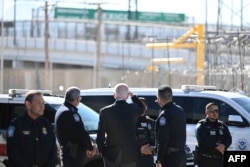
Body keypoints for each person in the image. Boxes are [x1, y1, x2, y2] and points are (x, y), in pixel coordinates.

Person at [96, 83, 145, 167]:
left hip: (111, 154)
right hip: (129, 155)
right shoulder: (133, 108)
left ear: (114, 95)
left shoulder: (105, 111)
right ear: (128, 95)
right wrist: (133, 96)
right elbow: (142, 108)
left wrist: (103, 151)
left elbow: (100, 135)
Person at [6, 90, 57, 167]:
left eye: (43, 103)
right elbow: (13, 153)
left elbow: (53, 151)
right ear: (28, 105)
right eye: (39, 103)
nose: (42, 106)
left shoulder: (46, 125)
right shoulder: (17, 125)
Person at [55, 86, 96, 167]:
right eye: (79, 98)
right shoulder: (70, 113)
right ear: (77, 99)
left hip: (68, 153)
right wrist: (90, 147)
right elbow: (80, 133)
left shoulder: (61, 110)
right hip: (73, 155)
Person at [155, 85, 186, 167]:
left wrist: (159, 159)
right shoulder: (180, 110)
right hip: (181, 155)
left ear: (159, 98)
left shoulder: (164, 114)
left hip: (170, 157)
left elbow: (163, 139)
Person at [195, 102, 232, 167]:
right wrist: (217, 147)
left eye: (217, 111)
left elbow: (229, 138)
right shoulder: (202, 125)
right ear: (207, 112)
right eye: (213, 111)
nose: (215, 113)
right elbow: (204, 140)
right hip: (206, 161)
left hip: (220, 161)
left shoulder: (222, 125)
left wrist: (224, 146)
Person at [136, 97, 155, 167]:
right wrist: (139, 150)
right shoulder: (130, 122)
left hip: (148, 159)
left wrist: (152, 149)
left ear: (146, 107)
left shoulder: (151, 122)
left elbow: (157, 142)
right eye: (139, 106)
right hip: (133, 159)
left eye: (144, 106)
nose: (142, 108)